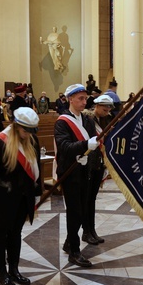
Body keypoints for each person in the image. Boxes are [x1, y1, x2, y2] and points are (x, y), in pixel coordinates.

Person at [0, 107, 42, 285]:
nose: (27, 135)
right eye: (24, 130)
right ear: (15, 126)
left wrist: (36, 192)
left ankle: (14, 270)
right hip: (2, 200)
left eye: (30, 131)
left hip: (22, 199)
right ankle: (2, 274)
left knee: (15, 235)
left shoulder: (32, 140)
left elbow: (36, 168)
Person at [55, 84, 99, 267]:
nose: (84, 101)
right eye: (80, 98)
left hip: (85, 171)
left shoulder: (87, 120)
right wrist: (84, 146)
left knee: (82, 211)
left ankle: (68, 241)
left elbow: (93, 143)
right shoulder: (62, 122)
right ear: (70, 99)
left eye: (85, 98)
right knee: (74, 212)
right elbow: (64, 147)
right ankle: (74, 251)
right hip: (70, 172)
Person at [83, 94, 113, 245]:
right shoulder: (88, 119)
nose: (107, 110)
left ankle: (91, 229)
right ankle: (86, 230)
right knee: (87, 198)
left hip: (99, 163)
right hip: (89, 163)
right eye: (105, 107)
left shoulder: (105, 119)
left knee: (92, 199)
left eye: (109, 108)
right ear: (97, 106)